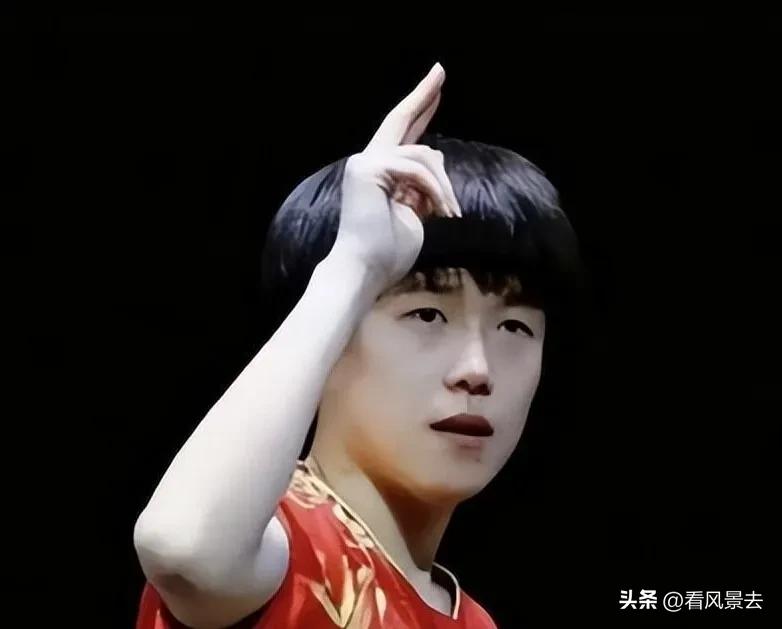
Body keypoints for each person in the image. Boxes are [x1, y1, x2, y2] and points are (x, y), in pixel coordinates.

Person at [133, 62, 584, 628]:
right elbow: (185, 549)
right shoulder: (275, 544)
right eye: (427, 314)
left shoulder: (475, 621)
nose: (477, 369)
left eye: (514, 327)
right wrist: (355, 263)